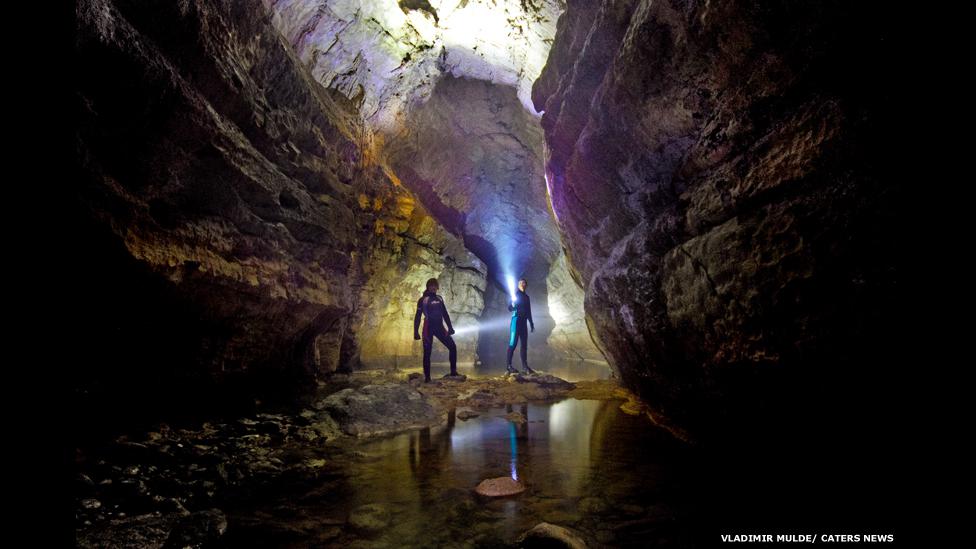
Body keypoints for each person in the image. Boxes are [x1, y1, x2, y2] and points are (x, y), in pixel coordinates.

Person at [414, 278, 459, 382]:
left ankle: (453, 372)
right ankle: (428, 378)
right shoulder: (423, 300)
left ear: (437, 287)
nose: (433, 287)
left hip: (439, 327)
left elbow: (445, 314)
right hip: (428, 328)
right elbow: (417, 317)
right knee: (427, 353)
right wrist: (415, 332)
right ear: (428, 287)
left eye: (435, 285)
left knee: (452, 346)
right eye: (431, 286)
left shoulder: (439, 298)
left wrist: (450, 328)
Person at [506, 278, 536, 375]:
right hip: (516, 322)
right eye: (521, 283)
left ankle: (524, 366)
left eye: (524, 283)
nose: (523, 284)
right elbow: (509, 307)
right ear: (518, 285)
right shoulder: (515, 295)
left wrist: (531, 323)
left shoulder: (527, 297)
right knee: (513, 344)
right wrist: (514, 307)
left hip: (523, 323)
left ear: (526, 285)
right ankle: (508, 366)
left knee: (524, 346)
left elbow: (529, 311)